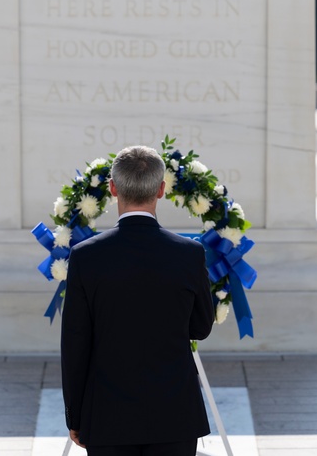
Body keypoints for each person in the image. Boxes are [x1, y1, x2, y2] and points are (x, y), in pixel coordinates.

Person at [61, 145, 215, 456]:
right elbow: (200, 327)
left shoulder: (86, 257)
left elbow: (75, 345)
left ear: (112, 188)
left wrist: (76, 416)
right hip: (174, 414)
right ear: (161, 190)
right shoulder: (189, 254)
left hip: (107, 415)